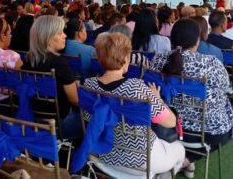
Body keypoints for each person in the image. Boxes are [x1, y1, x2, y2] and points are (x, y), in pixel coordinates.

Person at [84, 33, 184, 177]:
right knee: (179, 149)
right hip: (140, 161)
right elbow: (170, 122)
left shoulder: (88, 85)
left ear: (99, 58)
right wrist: (158, 99)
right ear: (126, 58)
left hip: (100, 153)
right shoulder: (137, 89)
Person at [150, 19, 232, 178]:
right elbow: (225, 85)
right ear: (198, 39)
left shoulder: (159, 59)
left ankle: (184, 159)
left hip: (167, 127)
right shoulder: (210, 63)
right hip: (204, 131)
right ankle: (187, 159)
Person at [22, 15, 80, 139]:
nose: (65, 35)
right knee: (92, 121)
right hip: (60, 123)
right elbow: (75, 99)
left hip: (34, 120)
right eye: (60, 33)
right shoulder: (59, 63)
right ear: (47, 38)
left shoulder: (27, 63)